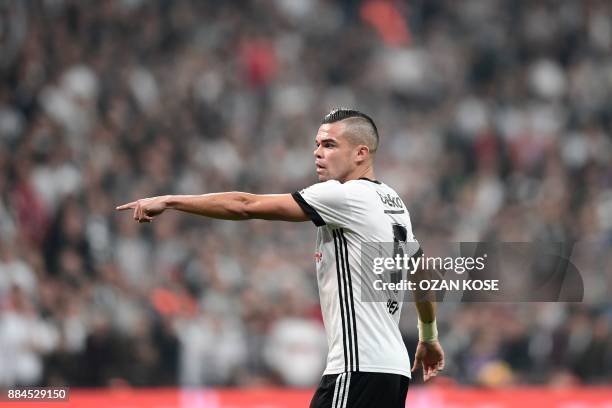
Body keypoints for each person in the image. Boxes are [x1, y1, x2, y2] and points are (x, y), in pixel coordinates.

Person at [117, 108, 444, 407]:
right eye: (316, 144)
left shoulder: (344, 195)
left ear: (361, 153)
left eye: (329, 145)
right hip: (392, 372)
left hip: (357, 368)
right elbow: (421, 271)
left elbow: (245, 205)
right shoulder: (392, 202)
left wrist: (172, 200)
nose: (317, 152)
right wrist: (428, 336)